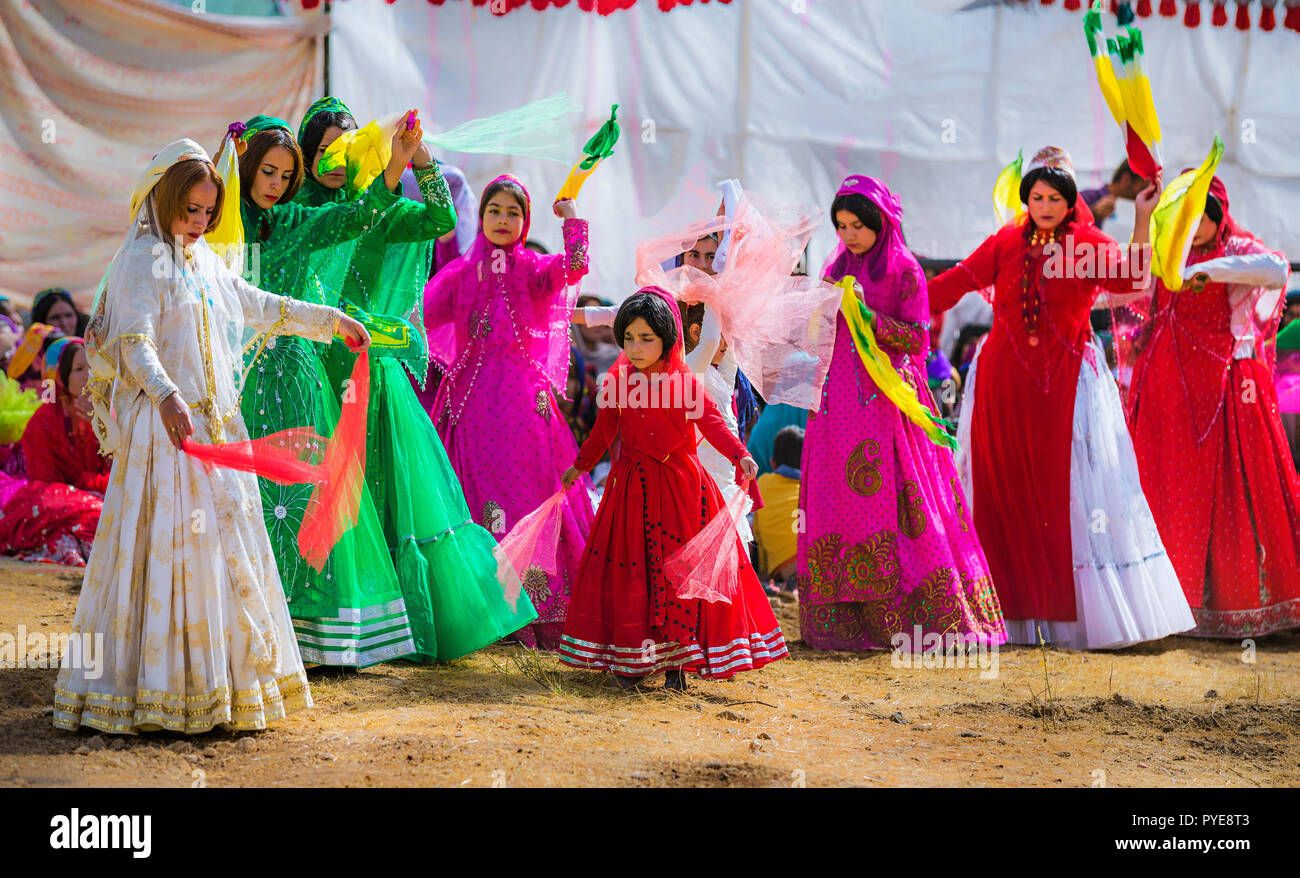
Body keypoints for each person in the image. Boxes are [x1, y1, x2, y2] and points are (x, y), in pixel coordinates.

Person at [54, 140, 372, 734]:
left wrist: (331, 323)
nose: (199, 224)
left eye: (208, 213)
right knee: (169, 554)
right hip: (167, 435)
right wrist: (170, 397)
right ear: (165, 199)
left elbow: (255, 303)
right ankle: (155, 692)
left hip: (216, 429)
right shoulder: (142, 258)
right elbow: (135, 343)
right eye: (190, 211)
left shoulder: (200, 261)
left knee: (222, 552)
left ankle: (221, 686)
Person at [295, 98, 541, 661]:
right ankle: (325, 622)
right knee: (323, 491)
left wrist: (421, 161)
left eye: (346, 145)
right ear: (308, 155)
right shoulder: (302, 210)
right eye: (324, 147)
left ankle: (392, 623)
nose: (335, 157)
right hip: (313, 367)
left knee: (382, 489)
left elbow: (441, 218)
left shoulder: (379, 209)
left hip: (370, 367)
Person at [929, 146, 1193, 649]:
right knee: (1000, 484)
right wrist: (897, 302)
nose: (1044, 205)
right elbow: (958, 282)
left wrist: (1142, 217)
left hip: (1064, 383)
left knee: (1068, 491)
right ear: (1026, 200)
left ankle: (1068, 618)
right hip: (1003, 383)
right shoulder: (1005, 242)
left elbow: (1134, 280)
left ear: (1070, 201)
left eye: (1053, 197)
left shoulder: (1086, 244)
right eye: (1036, 197)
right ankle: (1004, 613)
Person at [799, 175, 1005, 652]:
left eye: (857, 226)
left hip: (888, 403)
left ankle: (913, 620)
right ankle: (848, 621)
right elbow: (821, 331)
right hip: (837, 404)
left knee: (898, 501)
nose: (849, 235)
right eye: (842, 226)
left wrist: (869, 318)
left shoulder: (904, 270)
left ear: (880, 224)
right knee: (838, 500)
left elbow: (916, 338)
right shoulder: (836, 266)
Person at [557, 288, 786, 687]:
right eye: (629, 338)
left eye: (646, 338)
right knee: (635, 571)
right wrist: (579, 466)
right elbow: (603, 432)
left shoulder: (684, 384)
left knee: (680, 574)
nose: (636, 346)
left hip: (682, 492)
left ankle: (678, 665)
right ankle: (635, 659)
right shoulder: (616, 384)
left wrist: (740, 456)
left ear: (667, 339)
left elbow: (713, 424)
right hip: (630, 491)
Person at [423, 174, 596, 649]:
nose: (503, 220)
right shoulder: (459, 274)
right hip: (472, 411)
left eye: (513, 212)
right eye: (494, 210)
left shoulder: (534, 270)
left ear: (525, 221)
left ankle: (538, 615)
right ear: (480, 218)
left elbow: (578, 265)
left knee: (531, 503)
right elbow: (417, 318)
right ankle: (484, 615)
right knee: (478, 507)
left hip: (527, 414)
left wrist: (572, 216)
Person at [1125, 178, 1300, 637]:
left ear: (1220, 216)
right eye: (1188, 216)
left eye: (1205, 215)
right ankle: (1167, 607)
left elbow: (1277, 270)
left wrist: (1212, 271)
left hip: (1226, 393)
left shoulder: (1237, 248)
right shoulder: (1167, 251)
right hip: (1169, 395)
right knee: (1169, 490)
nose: (1197, 225)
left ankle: (1239, 608)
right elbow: (1131, 277)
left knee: (1234, 492)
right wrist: (1145, 219)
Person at [21, 337, 111, 496]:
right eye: (79, 369)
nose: (90, 375)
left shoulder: (112, 410)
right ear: (61, 377)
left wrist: (102, 427)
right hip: (59, 502)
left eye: (93, 366)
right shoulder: (42, 422)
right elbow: (43, 484)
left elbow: (124, 469)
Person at [753, 425, 803, 595]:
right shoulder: (817, 485)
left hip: (786, 571)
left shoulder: (763, 483)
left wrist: (765, 573)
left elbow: (758, 536)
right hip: (820, 563)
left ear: (773, 463)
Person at [1079, 159, 1148, 229]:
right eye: (1143, 187)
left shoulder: (1139, 214)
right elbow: (1069, 235)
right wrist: (1092, 213)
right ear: (1126, 179)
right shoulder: (1085, 198)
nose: (1145, 194)